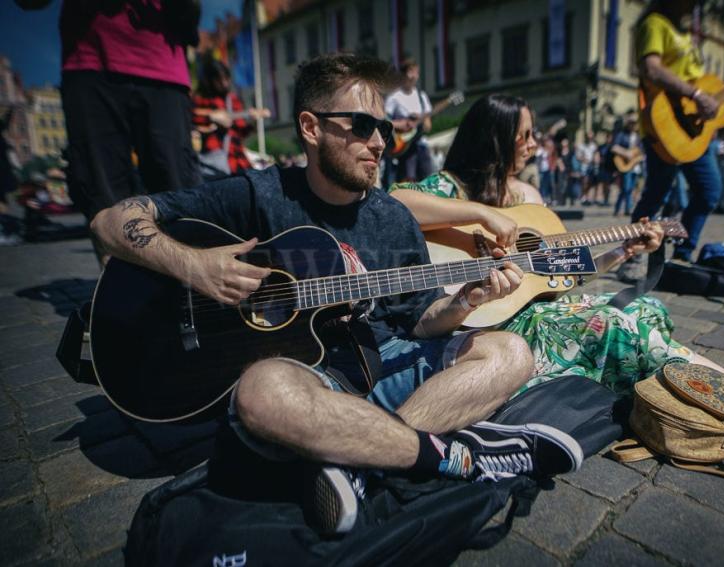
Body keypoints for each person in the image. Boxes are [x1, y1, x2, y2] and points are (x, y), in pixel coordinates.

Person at [90, 54, 579, 535]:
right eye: (362, 125)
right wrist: (196, 266)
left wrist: (466, 301)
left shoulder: (394, 218)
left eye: (384, 130)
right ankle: (443, 457)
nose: (379, 143)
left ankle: (361, 461)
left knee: (510, 352)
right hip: (303, 378)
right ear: (310, 127)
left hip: (385, 364)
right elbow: (111, 221)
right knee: (262, 392)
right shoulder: (259, 194)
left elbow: (421, 320)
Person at [390, 93, 724, 426]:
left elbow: (561, 276)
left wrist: (622, 251)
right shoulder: (452, 186)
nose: (534, 143)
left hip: (542, 309)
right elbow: (393, 204)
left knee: (645, 308)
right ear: (495, 140)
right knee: (621, 327)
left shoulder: (528, 196)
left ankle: (722, 397)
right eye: (525, 135)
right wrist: (479, 212)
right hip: (494, 326)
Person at [17, 0, 203, 261]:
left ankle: (194, 290)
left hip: (162, 64)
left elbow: (192, 10)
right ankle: (123, 293)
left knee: (182, 194)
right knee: (105, 198)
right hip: (90, 60)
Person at [625, 0, 724, 264]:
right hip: (664, 127)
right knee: (656, 195)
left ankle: (682, 256)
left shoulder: (688, 36)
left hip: (696, 133)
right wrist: (696, 94)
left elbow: (709, 93)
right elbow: (650, 68)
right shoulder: (655, 23)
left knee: (709, 190)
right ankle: (631, 255)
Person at [192, 57, 270, 178]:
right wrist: (211, 117)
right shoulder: (200, 99)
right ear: (210, 80)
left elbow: (241, 133)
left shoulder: (232, 100)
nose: (224, 83)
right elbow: (190, 117)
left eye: (226, 78)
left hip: (237, 160)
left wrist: (253, 121)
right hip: (213, 161)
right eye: (219, 79)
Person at [383, 59, 435, 184]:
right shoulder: (394, 97)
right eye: (411, 72)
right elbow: (383, 120)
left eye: (416, 72)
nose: (414, 76)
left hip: (421, 143)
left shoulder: (422, 96)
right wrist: (400, 124)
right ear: (403, 75)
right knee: (408, 181)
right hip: (404, 146)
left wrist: (426, 122)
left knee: (428, 180)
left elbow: (427, 122)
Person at [611, 115, 642, 216]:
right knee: (626, 188)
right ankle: (627, 209)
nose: (633, 125)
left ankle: (619, 209)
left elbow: (641, 152)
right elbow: (614, 147)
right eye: (631, 123)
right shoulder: (622, 135)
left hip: (635, 166)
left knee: (630, 189)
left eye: (635, 123)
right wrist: (626, 153)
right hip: (625, 166)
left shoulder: (639, 137)